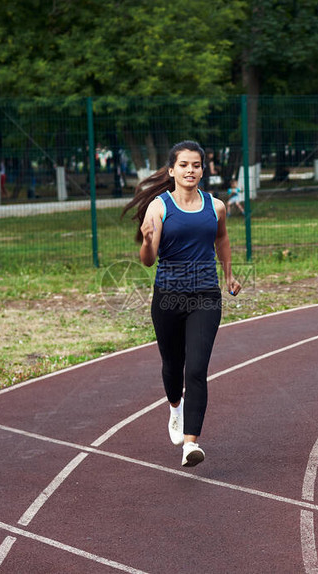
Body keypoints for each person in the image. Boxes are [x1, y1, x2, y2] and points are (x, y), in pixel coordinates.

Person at [122, 140, 241, 468]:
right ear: (172, 170)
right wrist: (147, 241)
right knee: (172, 367)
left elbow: (222, 239)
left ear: (203, 170)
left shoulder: (215, 206)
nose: (191, 170)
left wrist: (229, 275)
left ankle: (191, 443)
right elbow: (148, 261)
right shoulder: (159, 207)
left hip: (206, 296)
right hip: (168, 298)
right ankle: (175, 407)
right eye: (184, 165)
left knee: (197, 369)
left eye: (197, 165)